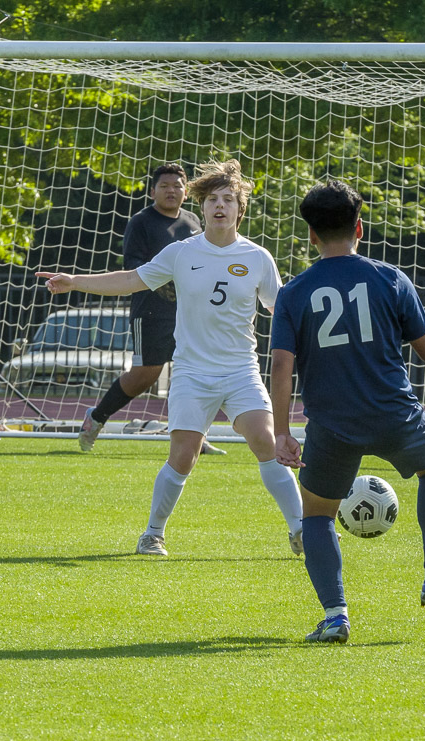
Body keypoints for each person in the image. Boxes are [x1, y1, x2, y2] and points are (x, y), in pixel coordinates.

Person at [269, 180, 425, 643]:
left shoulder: (294, 293)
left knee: (318, 515)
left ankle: (335, 616)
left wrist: (281, 431)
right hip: (394, 414)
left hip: (333, 424)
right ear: (359, 228)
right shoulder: (389, 278)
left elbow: (281, 366)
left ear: (311, 235)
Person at [37, 160, 305, 557]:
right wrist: (76, 281)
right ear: (202, 207)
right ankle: (152, 534)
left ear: (239, 210)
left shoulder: (258, 257)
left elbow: (280, 309)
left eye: (228, 199)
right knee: (183, 455)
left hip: (239, 371)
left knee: (267, 442)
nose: (220, 206)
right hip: (193, 373)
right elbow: (131, 279)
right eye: (213, 198)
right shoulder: (180, 252)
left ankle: (302, 531)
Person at [78, 163, 225, 456]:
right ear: (153, 191)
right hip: (151, 312)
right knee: (146, 374)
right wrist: (161, 286)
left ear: (186, 191)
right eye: (165, 186)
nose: (171, 190)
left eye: (177, 185)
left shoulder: (194, 221)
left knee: (198, 370)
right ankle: (96, 418)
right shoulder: (141, 222)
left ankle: (196, 436)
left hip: (190, 312)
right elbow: (132, 266)